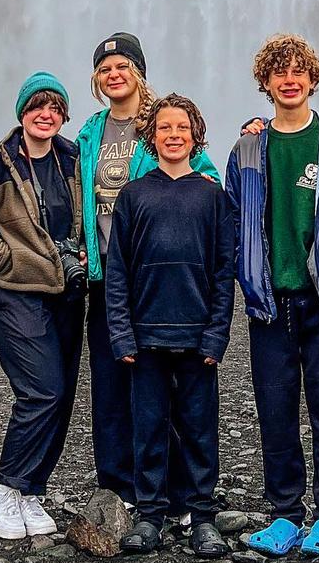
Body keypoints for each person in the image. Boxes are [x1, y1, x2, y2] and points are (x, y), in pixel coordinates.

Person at [226, 34, 319, 559]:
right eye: (279, 72)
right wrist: (244, 271)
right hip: (268, 302)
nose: (289, 80)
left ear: (312, 78)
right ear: (265, 82)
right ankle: (284, 513)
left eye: (298, 71)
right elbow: (233, 218)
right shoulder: (246, 149)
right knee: (275, 410)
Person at [74, 32, 218, 511]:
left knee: (168, 387)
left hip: (160, 279)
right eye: (105, 69)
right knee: (111, 383)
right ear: (96, 79)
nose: (114, 74)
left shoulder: (162, 122)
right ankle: (120, 488)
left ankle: (177, 490)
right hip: (107, 276)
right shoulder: (90, 133)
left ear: (139, 71)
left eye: (123, 66)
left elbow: (205, 175)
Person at [0, 72, 86, 539]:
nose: (45, 115)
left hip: (66, 293)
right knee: (41, 391)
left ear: (63, 115)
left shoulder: (74, 158)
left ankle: (30, 489)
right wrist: (3, 259)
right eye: (37, 106)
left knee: (62, 396)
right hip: (14, 292)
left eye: (54, 107)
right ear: (22, 112)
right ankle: (3, 485)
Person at [105, 94, 234, 558]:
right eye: (165, 128)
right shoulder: (133, 195)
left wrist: (216, 336)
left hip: (197, 336)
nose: (174, 135)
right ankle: (150, 515)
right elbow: (117, 272)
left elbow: (224, 271)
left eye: (182, 127)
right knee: (148, 427)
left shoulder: (212, 197)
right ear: (151, 136)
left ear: (196, 136)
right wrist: (122, 333)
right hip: (146, 337)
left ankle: (202, 516)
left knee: (200, 429)